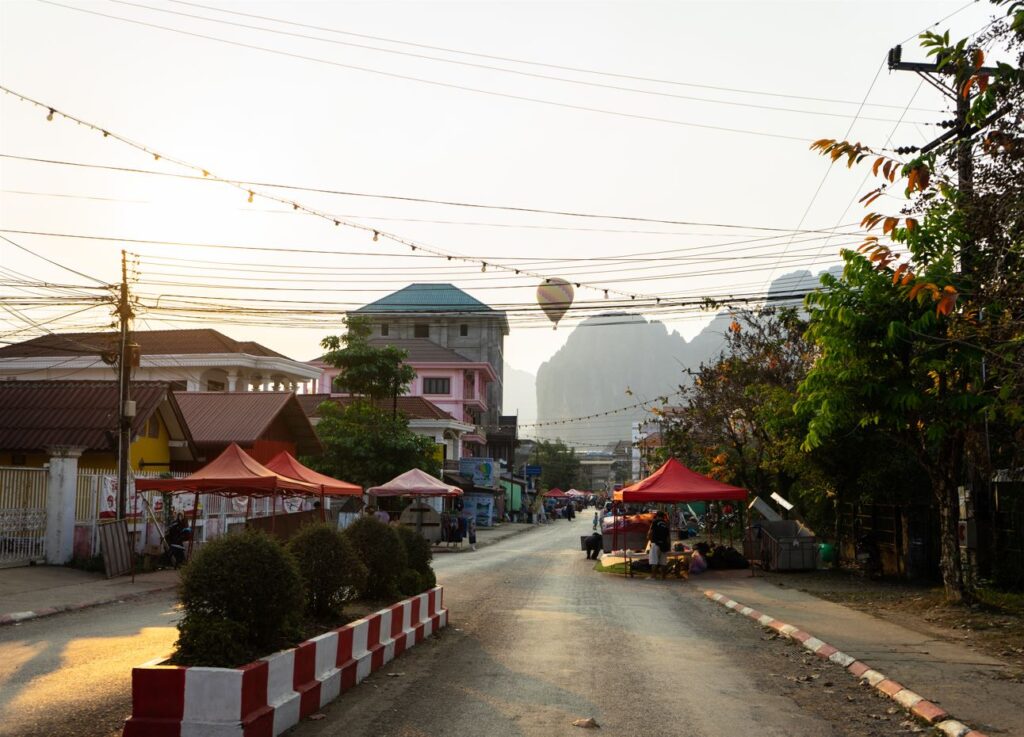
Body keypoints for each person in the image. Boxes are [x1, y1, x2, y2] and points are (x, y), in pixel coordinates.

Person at [647, 511, 671, 580]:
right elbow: (668, 536)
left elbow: (650, 532)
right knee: (663, 562)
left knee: (654, 561)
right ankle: (663, 577)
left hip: (655, 543)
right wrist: (668, 546)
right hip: (664, 544)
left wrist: (648, 537)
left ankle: (653, 577)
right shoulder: (666, 523)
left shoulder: (655, 521)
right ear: (663, 516)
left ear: (657, 516)